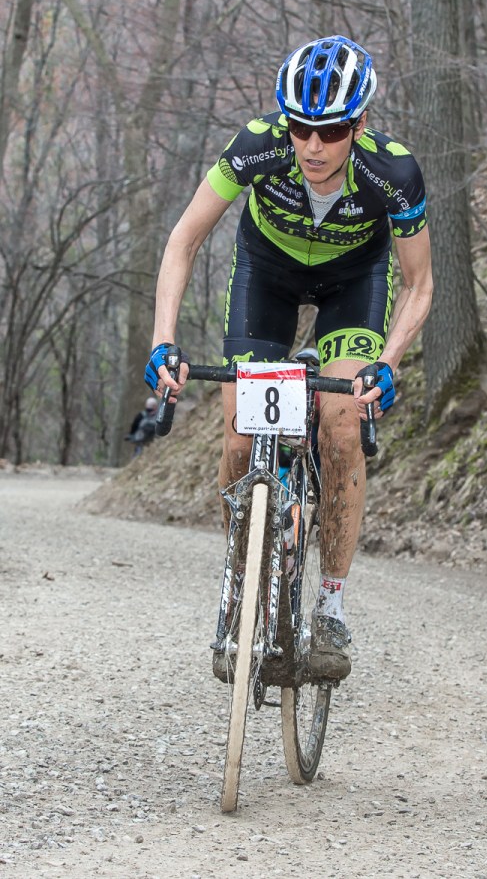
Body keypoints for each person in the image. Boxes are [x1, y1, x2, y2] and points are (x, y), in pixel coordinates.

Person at [144, 35, 433, 680]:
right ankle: (240, 583)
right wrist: (163, 339)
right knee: (240, 436)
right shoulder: (257, 145)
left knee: (341, 425)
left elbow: (419, 285)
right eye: (300, 128)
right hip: (267, 277)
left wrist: (389, 361)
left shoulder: (394, 172)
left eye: (330, 131)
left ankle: (330, 605)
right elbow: (183, 240)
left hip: (353, 283)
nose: (312, 146)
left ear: (359, 124)